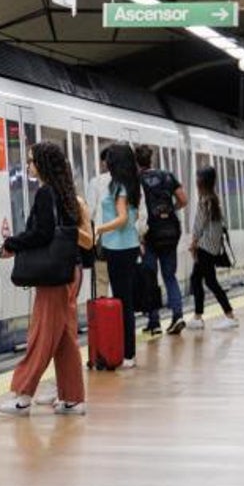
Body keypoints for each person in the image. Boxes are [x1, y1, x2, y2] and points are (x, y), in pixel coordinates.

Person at [0, 143, 92, 416]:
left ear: (44, 164)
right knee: (64, 339)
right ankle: (73, 398)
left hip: (54, 276)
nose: (28, 166)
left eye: (32, 161)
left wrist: (11, 243)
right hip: (70, 271)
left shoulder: (47, 192)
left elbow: (43, 234)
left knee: (41, 335)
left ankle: (22, 395)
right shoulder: (66, 193)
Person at [93, 142, 141, 369]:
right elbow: (133, 215)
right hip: (126, 246)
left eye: (109, 158)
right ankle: (126, 351)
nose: (106, 162)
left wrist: (100, 229)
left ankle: (128, 353)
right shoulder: (130, 185)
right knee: (125, 300)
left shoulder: (118, 187)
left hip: (118, 248)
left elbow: (122, 218)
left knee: (124, 302)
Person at [135, 144, 188, 336]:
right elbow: (183, 199)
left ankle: (154, 321)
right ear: (151, 159)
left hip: (149, 234)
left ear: (137, 162)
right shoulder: (167, 176)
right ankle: (178, 315)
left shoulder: (137, 180)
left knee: (150, 277)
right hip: (170, 232)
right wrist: (170, 210)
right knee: (169, 276)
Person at [188, 166, 239, 331]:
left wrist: (193, 242)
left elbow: (199, 225)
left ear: (202, 181)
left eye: (198, 178)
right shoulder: (214, 199)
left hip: (204, 247)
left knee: (209, 282)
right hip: (212, 247)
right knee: (198, 279)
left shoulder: (204, 200)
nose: (196, 180)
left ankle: (229, 316)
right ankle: (198, 317)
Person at [85, 147, 112, 299]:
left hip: (103, 238)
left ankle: (106, 320)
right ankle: (124, 320)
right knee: (122, 283)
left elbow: (89, 213)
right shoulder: (129, 182)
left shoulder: (96, 182)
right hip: (126, 240)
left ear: (103, 163)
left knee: (102, 281)